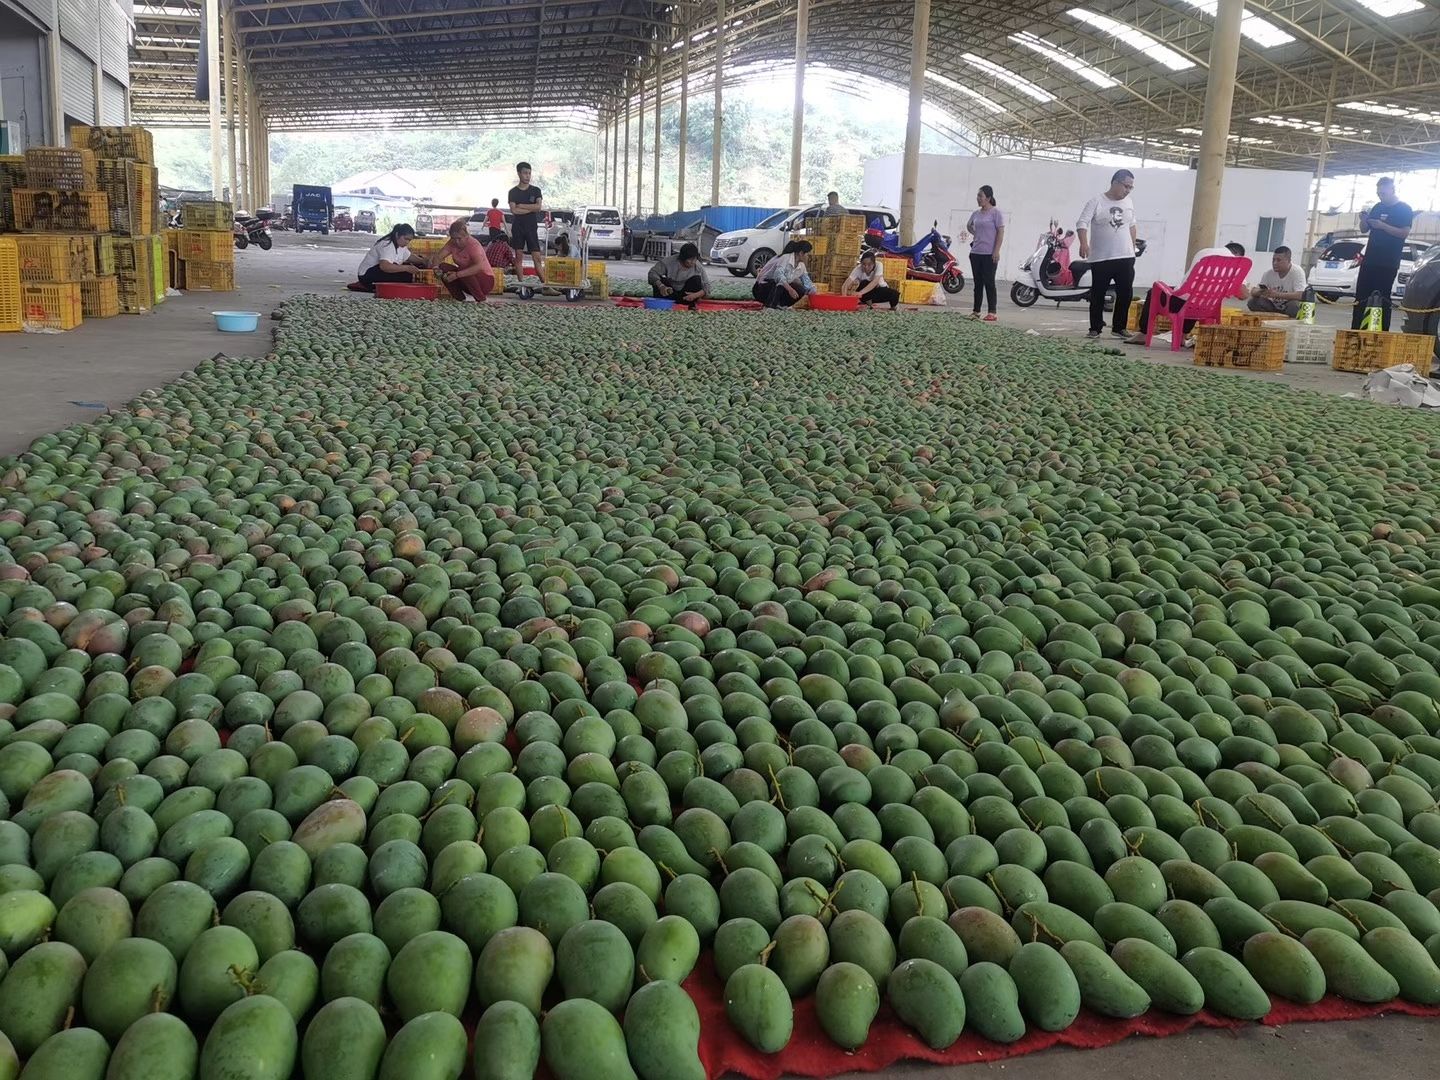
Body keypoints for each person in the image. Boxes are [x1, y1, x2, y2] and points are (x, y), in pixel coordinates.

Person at [1125, 242, 1247, 344]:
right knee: (1198, 297)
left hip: (1181, 303)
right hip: (1209, 306)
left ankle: (1143, 334)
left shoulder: (1205, 252)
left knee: (1155, 291)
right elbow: (1243, 296)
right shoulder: (1239, 264)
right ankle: (1182, 336)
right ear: (1238, 254)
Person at [1077, 169, 1138, 338]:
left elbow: (1132, 226)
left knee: (1126, 293)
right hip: (1102, 258)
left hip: (1125, 257)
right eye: (1126, 186)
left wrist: (1132, 249)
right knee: (1098, 293)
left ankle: (1119, 327)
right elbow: (1082, 223)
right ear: (1115, 183)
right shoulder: (1097, 201)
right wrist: (1083, 243)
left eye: (1131, 188)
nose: (1128, 190)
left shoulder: (1129, 202)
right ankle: (1095, 327)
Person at [1351, 177, 1413, 331]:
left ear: (1393, 190)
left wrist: (1383, 226)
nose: (1381, 196)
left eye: (1383, 193)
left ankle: (1381, 331)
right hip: (1370, 259)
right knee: (1361, 297)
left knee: (1382, 298)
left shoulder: (1404, 209)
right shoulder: (1377, 207)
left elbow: (1404, 233)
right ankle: (1355, 330)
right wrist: (1364, 220)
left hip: (1387, 262)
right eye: (1378, 193)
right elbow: (1364, 229)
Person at [432, 218, 496, 302]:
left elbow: (479, 267)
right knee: (443, 267)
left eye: (459, 238)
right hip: (467, 281)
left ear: (466, 236)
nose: (456, 241)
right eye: (454, 238)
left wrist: (456, 275)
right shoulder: (452, 243)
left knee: (464, 269)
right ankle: (459, 299)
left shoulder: (473, 245)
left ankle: (481, 299)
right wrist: (436, 268)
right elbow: (438, 257)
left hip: (484, 282)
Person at [349, 224, 426, 291]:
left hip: (378, 271)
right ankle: (365, 285)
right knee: (407, 275)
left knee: (415, 269)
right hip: (367, 275)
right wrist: (406, 268)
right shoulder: (387, 244)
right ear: (397, 235)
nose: (407, 242)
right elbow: (384, 266)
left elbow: (409, 256)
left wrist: (423, 261)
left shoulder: (400, 245)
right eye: (405, 239)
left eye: (409, 240)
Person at [966, 186, 1004, 321]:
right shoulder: (976, 214)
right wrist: (977, 234)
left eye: (980, 196)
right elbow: (969, 225)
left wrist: (996, 250)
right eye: (977, 196)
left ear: (988, 198)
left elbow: (1000, 232)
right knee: (978, 283)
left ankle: (992, 312)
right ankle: (976, 311)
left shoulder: (996, 213)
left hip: (989, 254)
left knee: (989, 282)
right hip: (976, 252)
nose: (978, 198)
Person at [508, 161, 547, 286]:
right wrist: (531, 208)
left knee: (537, 257)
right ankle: (521, 285)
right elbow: (514, 210)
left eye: (529, 173)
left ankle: (545, 285)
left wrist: (522, 206)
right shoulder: (513, 192)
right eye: (525, 173)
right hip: (518, 228)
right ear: (519, 173)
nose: (527, 176)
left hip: (531, 228)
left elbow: (538, 207)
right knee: (519, 257)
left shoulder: (536, 190)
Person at [753, 241, 816, 307]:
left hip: (777, 291)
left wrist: (813, 291)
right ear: (801, 253)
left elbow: (807, 282)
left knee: (800, 289)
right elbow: (778, 275)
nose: (809, 257)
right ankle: (771, 305)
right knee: (779, 283)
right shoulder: (785, 258)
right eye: (807, 254)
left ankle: (782, 305)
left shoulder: (801, 266)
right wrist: (790, 289)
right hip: (761, 289)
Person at [1248, 246, 1307, 317]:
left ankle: (1288, 321)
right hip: (1273, 305)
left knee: (1295, 305)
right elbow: (1253, 291)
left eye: (1279, 260)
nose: (1275, 263)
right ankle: (1269, 318)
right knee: (1253, 302)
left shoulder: (1297, 272)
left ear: (1288, 260)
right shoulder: (1268, 273)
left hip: (1288, 305)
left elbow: (1301, 295)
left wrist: (1277, 294)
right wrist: (1261, 292)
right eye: (1273, 260)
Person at [648, 243, 710, 308]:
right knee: (659, 280)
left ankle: (689, 306)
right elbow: (652, 273)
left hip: (686, 296)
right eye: (689, 259)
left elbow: (707, 286)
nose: (693, 262)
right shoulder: (669, 262)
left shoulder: (697, 266)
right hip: (669, 292)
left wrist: (696, 295)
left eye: (694, 259)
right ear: (682, 258)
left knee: (696, 280)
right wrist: (661, 286)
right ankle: (663, 304)